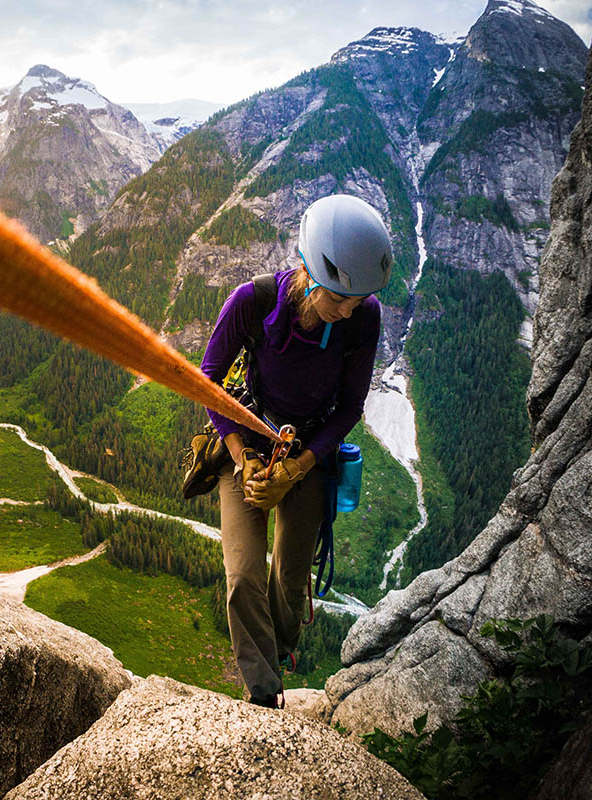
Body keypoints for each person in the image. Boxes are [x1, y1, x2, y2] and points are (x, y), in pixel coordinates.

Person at [198, 194, 391, 708]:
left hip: (309, 452)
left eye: (354, 303)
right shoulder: (255, 302)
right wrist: (243, 461)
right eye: (337, 300)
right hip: (248, 442)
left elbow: (350, 407)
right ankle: (264, 696)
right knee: (242, 575)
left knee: (289, 578)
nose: (347, 311)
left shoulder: (363, 315)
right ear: (307, 271)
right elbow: (209, 381)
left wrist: (300, 466)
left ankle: (281, 651)